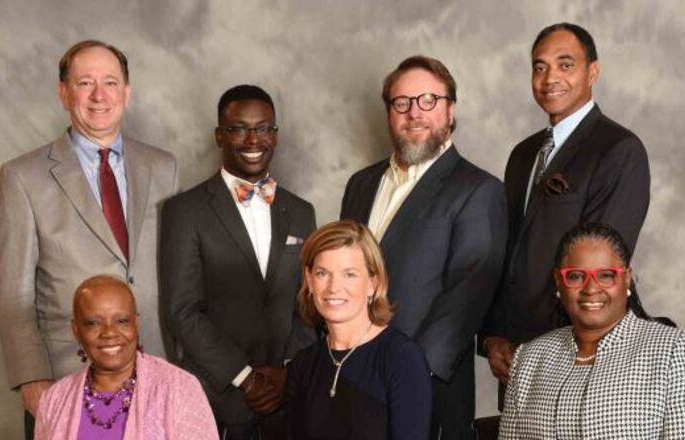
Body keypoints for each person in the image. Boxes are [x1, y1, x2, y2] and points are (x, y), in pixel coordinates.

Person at [0, 39, 178, 437]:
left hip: (155, 373)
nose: (99, 96)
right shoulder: (23, 177)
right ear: (63, 93)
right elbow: (14, 295)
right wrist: (31, 378)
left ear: (126, 93)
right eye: (85, 83)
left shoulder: (163, 166)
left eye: (110, 83)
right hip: (65, 377)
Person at [340, 55, 507, 438]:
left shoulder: (478, 190)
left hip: (424, 389)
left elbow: (465, 299)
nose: (415, 112)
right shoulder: (361, 184)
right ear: (389, 112)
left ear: (450, 111)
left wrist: (403, 376)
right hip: (348, 378)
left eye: (428, 100)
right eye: (402, 102)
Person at [481, 23, 651, 396]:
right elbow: (505, 253)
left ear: (593, 71)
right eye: (539, 67)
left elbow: (598, 273)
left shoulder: (619, 150)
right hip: (513, 361)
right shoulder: (523, 155)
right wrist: (495, 336)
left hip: (576, 356)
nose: (549, 78)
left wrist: (539, 349)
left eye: (565, 64)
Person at [160, 84, 317, 439]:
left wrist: (288, 371)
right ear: (219, 135)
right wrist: (246, 378)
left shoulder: (302, 212)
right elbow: (182, 311)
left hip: (286, 398)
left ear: (274, 136)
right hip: (218, 397)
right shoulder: (185, 211)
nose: (252, 139)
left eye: (262, 128)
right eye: (238, 128)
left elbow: (308, 304)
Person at [499, 223, 685, 439]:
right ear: (559, 281)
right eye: (576, 276)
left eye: (606, 275)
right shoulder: (529, 358)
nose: (591, 288)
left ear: (626, 279)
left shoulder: (674, 350)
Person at [286, 220, 432, 439]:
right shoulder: (302, 365)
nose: (334, 287)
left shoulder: (402, 357)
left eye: (350, 274)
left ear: (373, 283)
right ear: (309, 280)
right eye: (322, 273)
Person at [35, 275, 218, 439]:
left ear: (136, 324)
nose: (109, 333)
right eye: (93, 323)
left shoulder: (179, 387)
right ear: (76, 330)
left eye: (121, 321)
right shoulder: (54, 400)